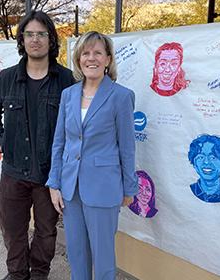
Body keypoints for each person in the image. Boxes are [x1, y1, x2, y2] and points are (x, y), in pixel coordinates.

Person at [0, 10, 74, 280]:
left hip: (49, 175)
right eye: (30, 34)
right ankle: (17, 273)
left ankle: (39, 273)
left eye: (41, 34)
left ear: (51, 39)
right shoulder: (6, 78)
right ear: (22, 40)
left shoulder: (66, 80)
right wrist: (0, 141)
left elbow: (75, 124)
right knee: (12, 229)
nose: (35, 40)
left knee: (47, 231)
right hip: (13, 171)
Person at [46, 31, 138, 280]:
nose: (91, 58)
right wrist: (54, 183)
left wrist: (129, 188)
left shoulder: (121, 96)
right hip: (70, 187)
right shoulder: (68, 95)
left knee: (103, 256)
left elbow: (127, 147)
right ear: (78, 60)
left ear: (108, 59)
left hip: (103, 187)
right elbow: (59, 142)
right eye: (85, 53)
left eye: (98, 52)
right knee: (76, 252)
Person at [188, 134, 220, 203]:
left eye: (213, 157)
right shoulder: (190, 190)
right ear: (194, 164)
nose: (206, 162)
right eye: (201, 157)